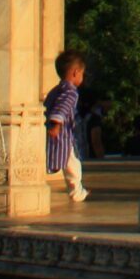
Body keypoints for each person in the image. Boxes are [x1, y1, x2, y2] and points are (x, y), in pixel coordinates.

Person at [46, 50, 88, 203]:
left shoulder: (56, 90)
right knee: (72, 165)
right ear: (76, 72)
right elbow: (61, 108)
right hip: (63, 135)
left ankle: (77, 190)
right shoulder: (70, 92)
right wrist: (56, 124)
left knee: (65, 161)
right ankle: (77, 192)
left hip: (58, 133)